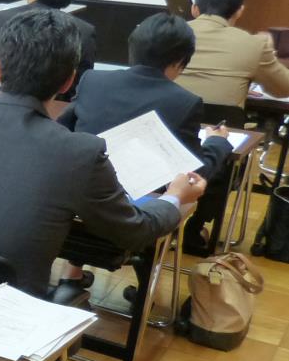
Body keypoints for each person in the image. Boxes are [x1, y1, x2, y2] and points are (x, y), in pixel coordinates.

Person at [0, 6, 201, 297]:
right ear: (68, 82)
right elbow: (134, 230)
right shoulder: (78, 153)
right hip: (5, 309)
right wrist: (174, 197)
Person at [59, 13, 235, 256]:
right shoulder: (185, 102)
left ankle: (72, 274)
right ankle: (146, 284)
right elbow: (194, 172)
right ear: (179, 61)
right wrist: (218, 142)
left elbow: (64, 130)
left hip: (75, 198)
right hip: (133, 214)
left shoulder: (93, 80)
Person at [178, 0, 289, 108]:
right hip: (222, 125)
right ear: (239, 11)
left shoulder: (167, 35)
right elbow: (284, 89)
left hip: (165, 123)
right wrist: (270, 50)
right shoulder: (254, 44)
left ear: (194, 9)